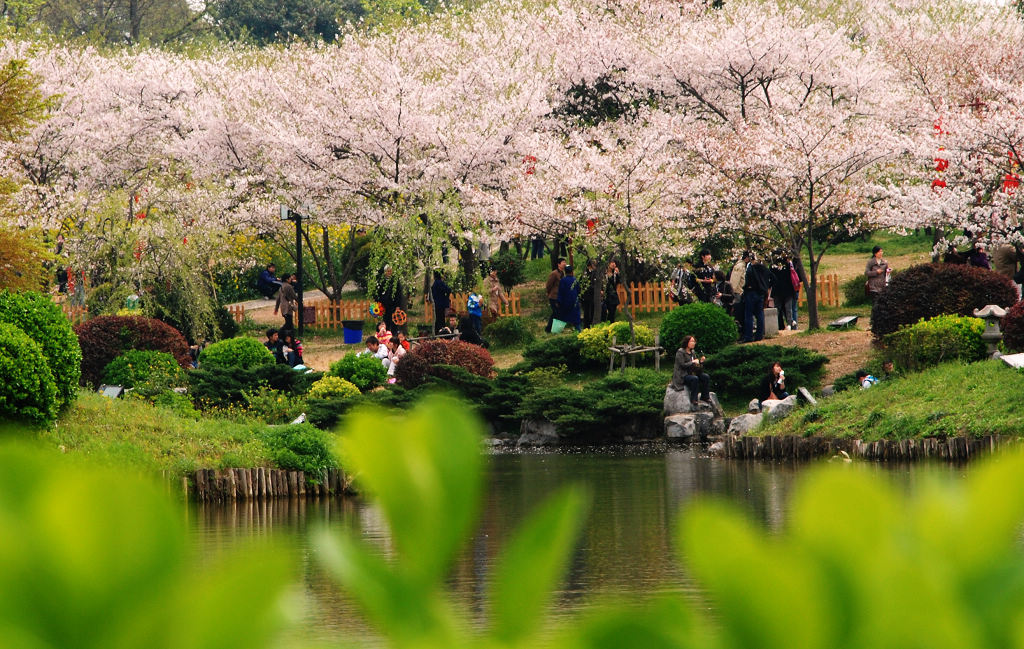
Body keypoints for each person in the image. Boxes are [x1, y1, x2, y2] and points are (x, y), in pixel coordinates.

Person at [669, 335, 711, 409]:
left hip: (691, 373)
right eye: (692, 341)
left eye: (694, 341)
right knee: (694, 379)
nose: (693, 343)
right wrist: (692, 362)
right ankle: (694, 399)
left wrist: (700, 362)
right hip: (682, 375)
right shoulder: (680, 352)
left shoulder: (692, 352)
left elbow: (696, 367)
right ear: (687, 342)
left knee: (705, 377)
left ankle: (705, 397)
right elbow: (682, 365)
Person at [742, 252, 772, 343]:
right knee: (759, 314)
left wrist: (746, 287)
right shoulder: (763, 269)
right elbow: (772, 278)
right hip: (761, 293)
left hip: (751, 293)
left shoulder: (751, 268)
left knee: (749, 315)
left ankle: (748, 336)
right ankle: (759, 335)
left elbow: (747, 281)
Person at [375, 265, 405, 337]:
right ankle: (387, 337)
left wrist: (398, 305)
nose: (389, 272)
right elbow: (378, 293)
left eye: (390, 271)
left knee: (394, 322)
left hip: (394, 305)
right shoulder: (381, 281)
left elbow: (398, 294)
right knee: (386, 321)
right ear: (385, 272)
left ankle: (394, 337)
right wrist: (379, 303)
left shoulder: (395, 281)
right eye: (388, 271)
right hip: (385, 306)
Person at [771, 254, 797, 331]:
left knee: (777, 309)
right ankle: (790, 324)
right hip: (788, 290)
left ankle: (775, 325)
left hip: (777, 290)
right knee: (788, 308)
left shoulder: (773, 266)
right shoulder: (788, 265)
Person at [557, 265, 582, 332]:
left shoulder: (563, 280)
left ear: (565, 272)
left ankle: (557, 332)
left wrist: (559, 301)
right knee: (576, 319)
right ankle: (579, 331)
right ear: (572, 272)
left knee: (561, 318)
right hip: (574, 303)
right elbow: (579, 291)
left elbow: (561, 292)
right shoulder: (575, 280)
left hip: (565, 303)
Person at [544, 258, 566, 333]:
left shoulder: (562, 273)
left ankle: (551, 329)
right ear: (558, 264)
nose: (564, 264)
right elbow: (548, 285)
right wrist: (549, 293)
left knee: (556, 313)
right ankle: (549, 329)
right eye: (563, 262)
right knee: (556, 312)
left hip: (560, 296)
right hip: (554, 296)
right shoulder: (554, 273)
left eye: (565, 262)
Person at [582, 259, 601, 328]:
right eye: (593, 264)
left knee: (593, 311)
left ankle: (593, 325)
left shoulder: (596, 273)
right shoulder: (585, 274)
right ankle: (586, 326)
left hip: (594, 296)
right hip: (587, 296)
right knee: (587, 312)